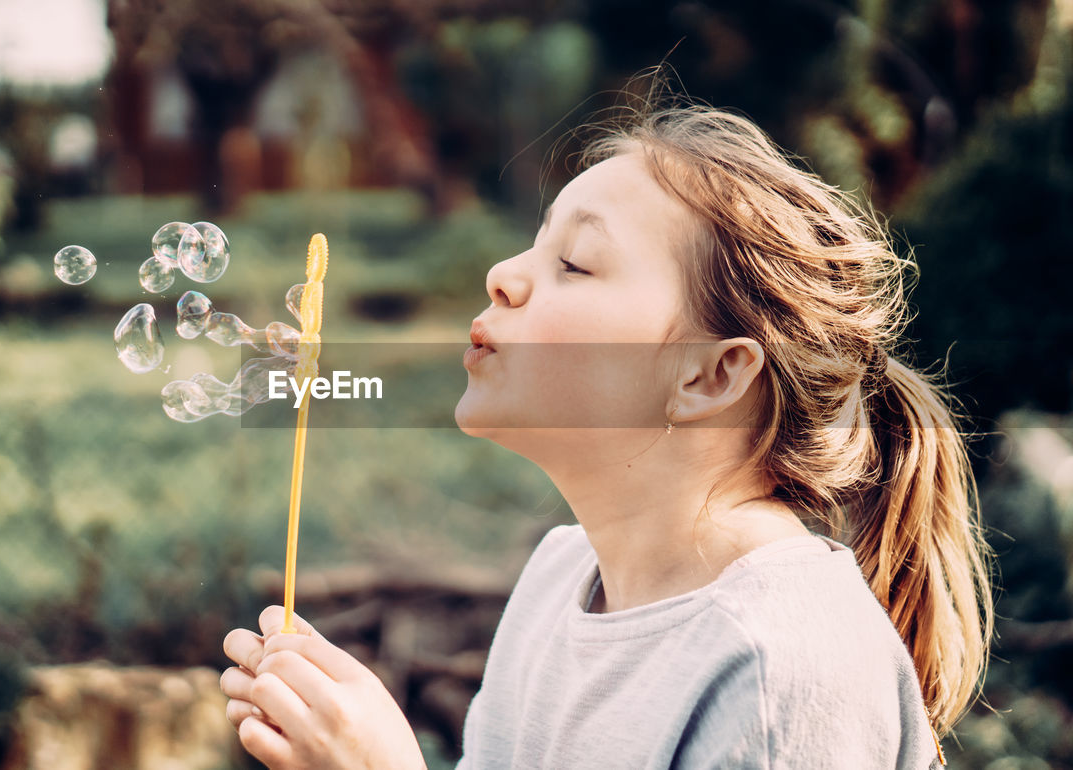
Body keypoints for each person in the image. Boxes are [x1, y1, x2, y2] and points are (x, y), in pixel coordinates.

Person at [218, 89, 994, 769]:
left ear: (710, 375)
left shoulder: (779, 664)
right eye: (538, 241)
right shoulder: (562, 579)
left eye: (577, 262)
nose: (504, 275)